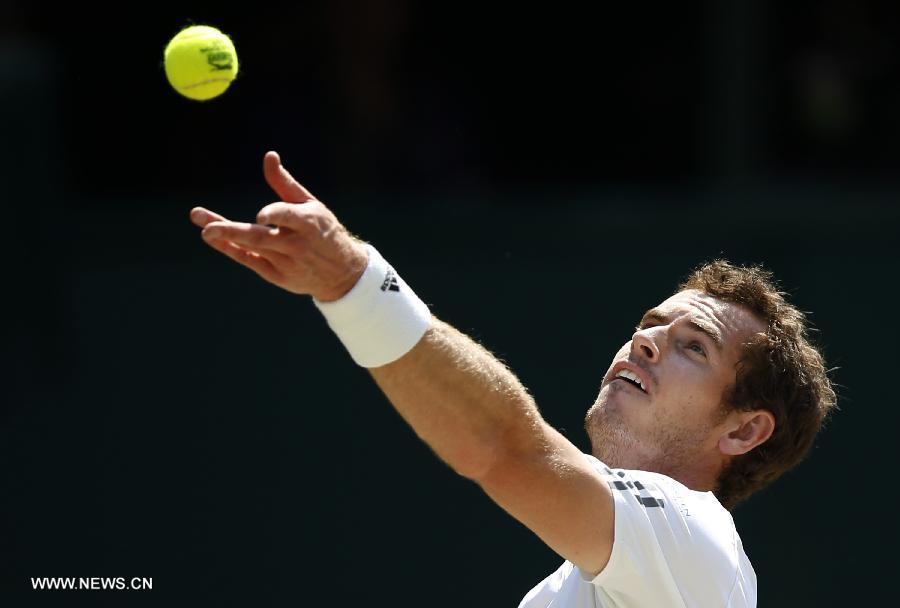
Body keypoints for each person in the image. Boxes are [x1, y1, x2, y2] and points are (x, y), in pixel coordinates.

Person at [190, 151, 836, 607]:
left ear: (745, 429)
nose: (644, 341)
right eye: (649, 325)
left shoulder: (697, 541)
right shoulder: (566, 591)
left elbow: (508, 448)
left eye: (692, 347)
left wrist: (353, 284)